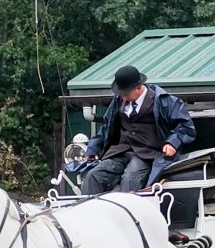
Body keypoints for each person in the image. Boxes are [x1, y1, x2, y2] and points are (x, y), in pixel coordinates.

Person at [81, 65, 196, 195]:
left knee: (130, 179)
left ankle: (124, 214)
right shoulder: (118, 101)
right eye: (121, 93)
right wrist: (93, 148)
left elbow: (186, 126)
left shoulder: (165, 101)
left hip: (148, 154)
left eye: (126, 93)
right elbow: (107, 127)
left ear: (139, 87)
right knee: (93, 176)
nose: (123, 97)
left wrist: (172, 143)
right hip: (119, 152)